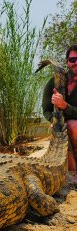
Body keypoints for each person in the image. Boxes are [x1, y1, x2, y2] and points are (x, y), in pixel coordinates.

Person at [42, 44, 77, 179]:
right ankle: (72, 173)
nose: (76, 63)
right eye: (72, 60)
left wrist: (64, 105)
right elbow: (46, 110)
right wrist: (53, 121)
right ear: (67, 62)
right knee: (63, 128)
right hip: (62, 123)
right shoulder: (54, 82)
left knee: (72, 126)